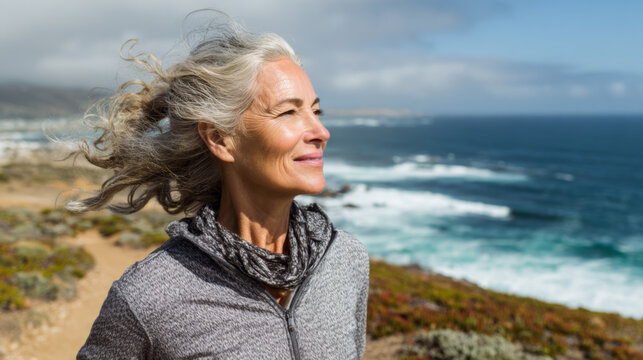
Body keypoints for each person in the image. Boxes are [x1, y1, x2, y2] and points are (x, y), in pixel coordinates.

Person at [72, 15, 369, 360]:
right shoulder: (149, 296)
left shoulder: (346, 259)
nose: (320, 132)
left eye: (316, 112)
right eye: (289, 113)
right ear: (220, 139)